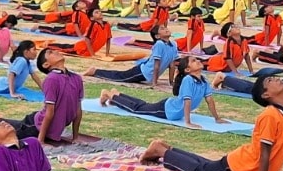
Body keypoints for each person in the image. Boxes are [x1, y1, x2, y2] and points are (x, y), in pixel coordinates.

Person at [137, 72, 283, 171]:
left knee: (207, 165)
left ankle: (166, 149)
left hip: (245, 169)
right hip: (240, 167)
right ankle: (161, 150)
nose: (277, 79)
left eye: (275, 78)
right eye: (270, 81)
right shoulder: (270, 115)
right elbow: (264, 155)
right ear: (265, 95)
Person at [95, 55, 229, 128]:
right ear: (187, 70)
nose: (198, 61)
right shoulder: (188, 80)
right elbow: (187, 102)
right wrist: (188, 122)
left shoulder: (203, 80)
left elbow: (210, 101)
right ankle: (109, 95)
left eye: (197, 59)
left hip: (171, 108)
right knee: (138, 109)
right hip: (167, 110)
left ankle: (117, 94)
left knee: (142, 105)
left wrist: (217, 118)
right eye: (194, 61)